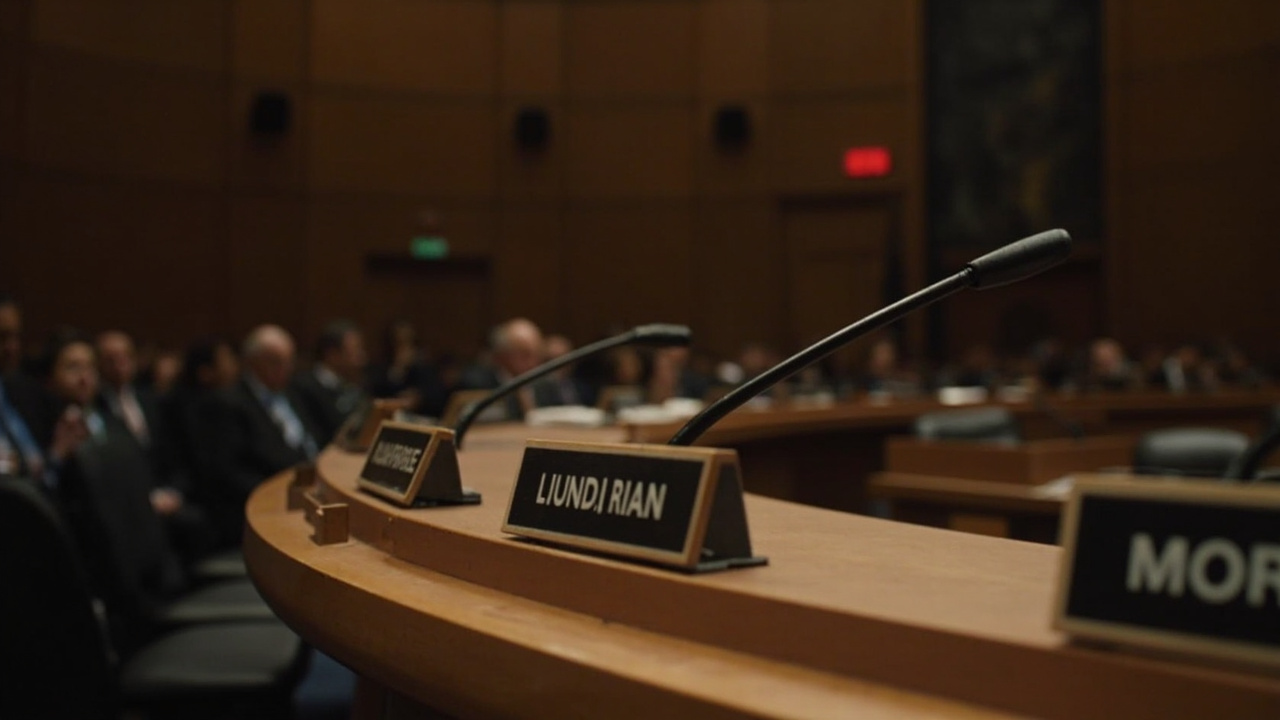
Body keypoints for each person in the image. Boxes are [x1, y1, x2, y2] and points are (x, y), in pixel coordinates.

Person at [205, 325, 321, 546]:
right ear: (253, 362)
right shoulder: (229, 403)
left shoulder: (293, 393)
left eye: (290, 361)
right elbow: (227, 472)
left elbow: (311, 439)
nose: (287, 368)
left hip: (311, 489)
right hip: (272, 505)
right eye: (277, 361)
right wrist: (281, 494)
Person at [0, 296, 54, 479]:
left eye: (15, 336)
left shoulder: (26, 392)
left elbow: (42, 464)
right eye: (2, 337)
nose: (12, 347)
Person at [454, 318, 550, 419]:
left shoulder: (546, 385)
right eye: (524, 354)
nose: (533, 361)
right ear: (501, 355)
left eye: (537, 353)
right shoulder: (476, 383)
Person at [293, 320, 368, 444]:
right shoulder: (304, 388)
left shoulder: (355, 383)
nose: (362, 358)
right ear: (332, 354)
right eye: (355, 351)